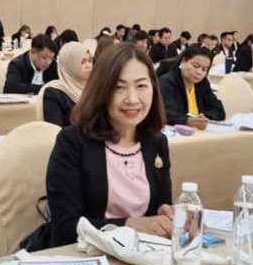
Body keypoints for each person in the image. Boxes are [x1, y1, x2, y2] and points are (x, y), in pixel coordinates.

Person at [45, 43, 173, 247]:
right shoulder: (72, 142)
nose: (132, 99)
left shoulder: (156, 142)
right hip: (84, 254)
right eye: (119, 87)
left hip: (141, 255)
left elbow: (157, 209)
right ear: (102, 91)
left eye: (141, 86)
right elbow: (66, 226)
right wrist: (127, 225)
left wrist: (165, 216)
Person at [159, 45, 224, 129]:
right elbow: (165, 112)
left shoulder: (202, 83)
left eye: (204, 69)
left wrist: (202, 118)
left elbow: (219, 110)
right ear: (183, 61)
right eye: (195, 66)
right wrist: (187, 121)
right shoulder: (167, 82)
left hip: (199, 132)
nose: (199, 72)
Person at [41, 42, 92, 127]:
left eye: (90, 61)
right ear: (69, 64)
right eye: (82, 62)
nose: (88, 66)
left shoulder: (94, 88)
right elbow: (55, 130)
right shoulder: (54, 93)